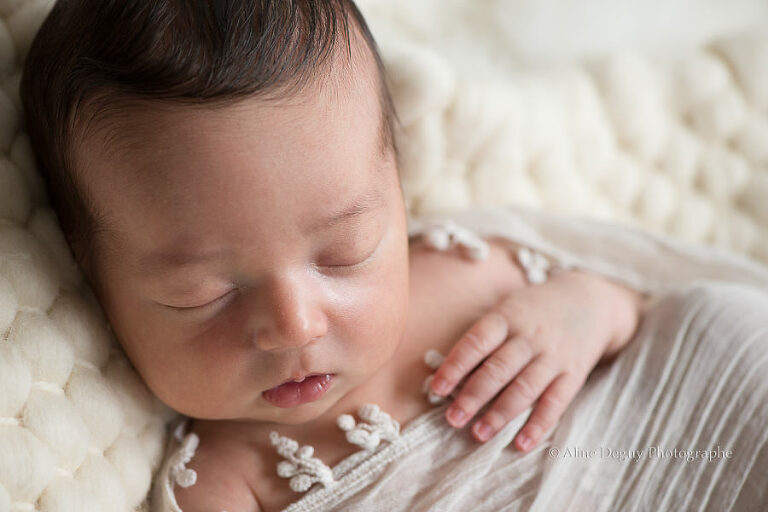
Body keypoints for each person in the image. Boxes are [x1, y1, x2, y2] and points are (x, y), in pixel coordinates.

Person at [20, 1, 655, 510]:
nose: (295, 325)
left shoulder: (469, 273)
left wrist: (589, 310)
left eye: (345, 253)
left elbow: (653, 302)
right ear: (91, 280)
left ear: (399, 193)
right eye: (202, 294)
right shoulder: (223, 482)